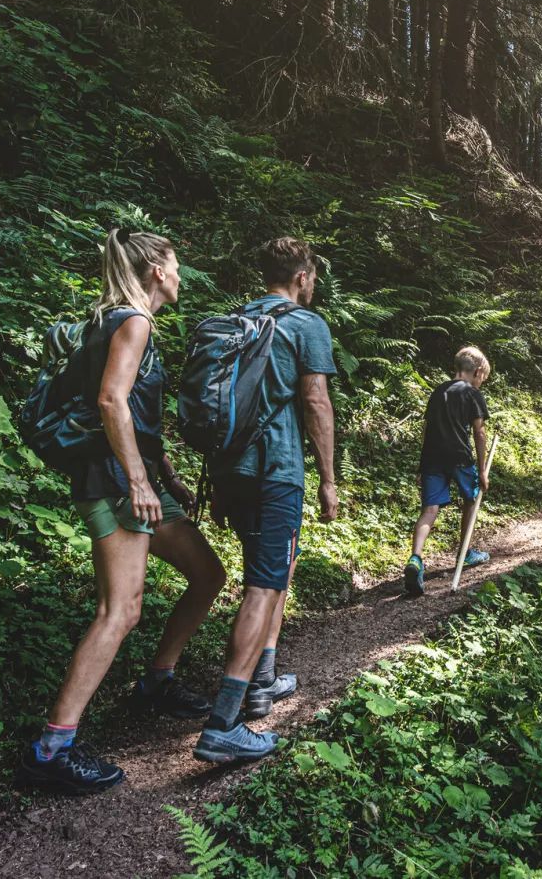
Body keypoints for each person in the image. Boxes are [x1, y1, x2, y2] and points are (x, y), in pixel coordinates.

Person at [18, 228, 227, 795]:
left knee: (209, 573)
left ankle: (156, 683)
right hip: (115, 484)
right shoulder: (132, 321)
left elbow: (131, 411)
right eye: (178, 265)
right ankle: (50, 749)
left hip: (131, 481)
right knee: (121, 610)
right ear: (158, 270)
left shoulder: (111, 320)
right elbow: (111, 400)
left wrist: (167, 478)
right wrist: (138, 480)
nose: (182, 276)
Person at [194, 237, 339, 764]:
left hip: (229, 470)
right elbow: (316, 401)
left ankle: (262, 680)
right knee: (263, 583)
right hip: (274, 470)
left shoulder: (235, 321)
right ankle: (224, 722)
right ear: (303, 276)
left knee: (274, 565)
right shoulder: (305, 325)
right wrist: (328, 479)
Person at [404, 347, 492, 598]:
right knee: (471, 499)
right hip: (459, 457)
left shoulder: (437, 391)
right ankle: (465, 553)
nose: (481, 383)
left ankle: (415, 559)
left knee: (429, 510)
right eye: (482, 378)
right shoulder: (473, 394)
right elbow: (479, 433)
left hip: (432, 457)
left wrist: (422, 466)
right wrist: (483, 470)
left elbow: (426, 430)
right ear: (477, 372)